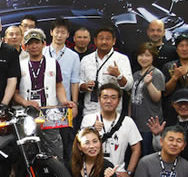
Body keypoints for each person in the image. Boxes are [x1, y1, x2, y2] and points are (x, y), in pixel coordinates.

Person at [13, 29, 76, 160]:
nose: (34, 46)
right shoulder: (19, 65)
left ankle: (57, 172)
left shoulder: (53, 63)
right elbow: (14, 92)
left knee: (55, 151)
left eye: (37, 42)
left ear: (44, 44)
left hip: (49, 113)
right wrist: (25, 102)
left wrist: (64, 100)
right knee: (28, 151)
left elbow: (59, 85)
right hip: (27, 114)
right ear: (25, 46)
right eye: (30, 43)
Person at [80, 83, 142, 177]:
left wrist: (129, 172)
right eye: (105, 97)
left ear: (119, 100)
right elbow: (80, 146)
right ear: (99, 99)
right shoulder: (88, 119)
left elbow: (136, 148)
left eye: (113, 97)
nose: (109, 101)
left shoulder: (128, 122)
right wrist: (92, 129)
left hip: (116, 174)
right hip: (92, 174)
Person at [44, 17, 81, 163]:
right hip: (44, 106)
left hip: (64, 107)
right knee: (45, 143)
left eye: (63, 32)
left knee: (66, 142)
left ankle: (65, 173)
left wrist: (75, 103)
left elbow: (74, 81)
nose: (59, 35)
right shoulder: (42, 52)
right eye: (57, 32)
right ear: (51, 32)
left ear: (68, 35)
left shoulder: (73, 56)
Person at [147, 88, 188, 168]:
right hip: (170, 167)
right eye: (179, 103)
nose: (183, 106)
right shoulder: (168, 122)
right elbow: (159, 149)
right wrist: (156, 135)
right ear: (173, 104)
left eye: (187, 103)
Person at [79, 27, 133, 117]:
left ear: (114, 41)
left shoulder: (122, 59)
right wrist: (84, 86)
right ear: (95, 41)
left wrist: (118, 75)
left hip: (113, 112)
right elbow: (78, 82)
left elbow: (129, 86)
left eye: (107, 39)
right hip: (90, 111)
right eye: (101, 39)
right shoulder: (86, 59)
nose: (104, 42)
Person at [130, 43, 165, 156]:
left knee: (147, 156)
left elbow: (157, 98)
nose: (143, 58)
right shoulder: (135, 74)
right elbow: (131, 98)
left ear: (153, 57)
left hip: (149, 125)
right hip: (135, 123)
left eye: (147, 55)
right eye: (141, 55)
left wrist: (149, 84)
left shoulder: (156, 74)